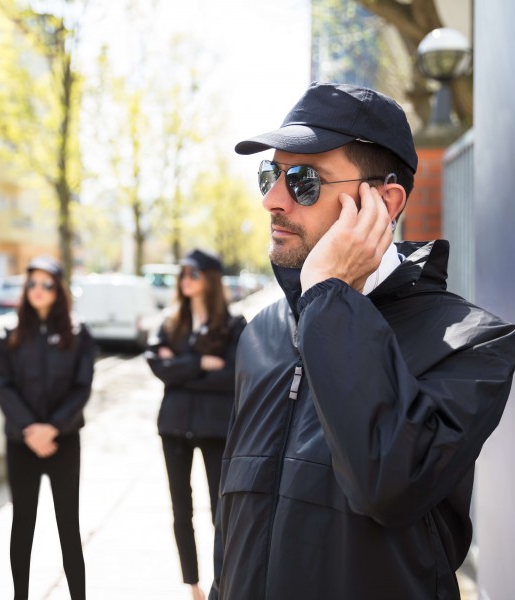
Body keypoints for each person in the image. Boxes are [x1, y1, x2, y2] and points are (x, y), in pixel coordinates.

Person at [210, 82, 515, 600]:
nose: (272, 200)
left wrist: (330, 297)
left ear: (384, 200)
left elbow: (388, 486)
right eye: (270, 175)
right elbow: (233, 522)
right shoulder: (260, 332)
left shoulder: (472, 344)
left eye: (303, 181)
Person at [0, 256, 96, 600]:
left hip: (63, 442)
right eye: (32, 283)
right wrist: (29, 430)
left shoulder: (78, 333)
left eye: (46, 284)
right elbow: (2, 384)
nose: (38, 290)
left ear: (58, 289)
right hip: (21, 444)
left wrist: (51, 428)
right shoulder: (9, 333)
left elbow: (82, 387)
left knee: (68, 525)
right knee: (22, 523)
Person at [146, 249, 246, 600]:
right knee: (180, 507)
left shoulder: (234, 326)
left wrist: (181, 371)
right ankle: (192, 584)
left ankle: (224, 579)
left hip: (215, 429)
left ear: (210, 279)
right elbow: (157, 366)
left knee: (221, 508)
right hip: (173, 427)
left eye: (193, 273)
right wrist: (201, 363)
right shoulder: (170, 322)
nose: (185, 280)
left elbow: (233, 374)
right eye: (182, 273)